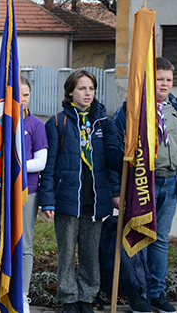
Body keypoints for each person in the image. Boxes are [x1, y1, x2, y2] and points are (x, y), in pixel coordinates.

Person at [113, 57, 177, 313]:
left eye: (169, 80)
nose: (165, 84)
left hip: (171, 183)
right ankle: (139, 292)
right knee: (139, 236)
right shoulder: (132, 109)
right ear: (149, 80)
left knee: (161, 240)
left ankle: (157, 292)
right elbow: (115, 151)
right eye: (160, 79)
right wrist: (117, 190)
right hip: (142, 183)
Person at [38, 69, 121, 313]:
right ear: (70, 91)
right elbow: (50, 164)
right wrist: (48, 200)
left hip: (94, 201)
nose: (87, 93)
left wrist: (131, 149)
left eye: (91, 89)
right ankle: (68, 298)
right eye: (82, 88)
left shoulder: (105, 122)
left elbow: (113, 163)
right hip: (67, 200)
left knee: (89, 252)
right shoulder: (57, 122)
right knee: (66, 253)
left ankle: (87, 296)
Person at [0, 75, 47, 311]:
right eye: (18, 95)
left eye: (26, 95)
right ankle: (0, 292)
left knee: (24, 243)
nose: (22, 99)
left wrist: (13, 168)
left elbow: (41, 162)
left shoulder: (36, 125)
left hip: (27, 192)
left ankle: (22, 294)